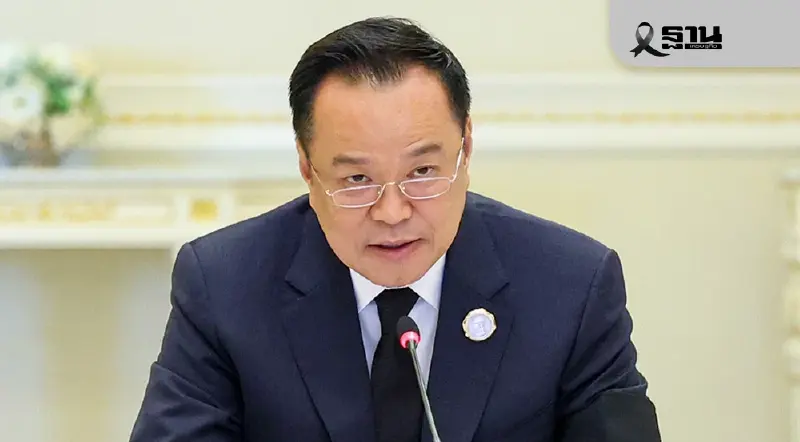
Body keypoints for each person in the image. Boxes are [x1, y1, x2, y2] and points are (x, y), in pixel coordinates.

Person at [129, 16, 661, 442]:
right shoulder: (224, 285)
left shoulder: (572, 285)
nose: (392, 212)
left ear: (466, 147)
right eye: (356, 179)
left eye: (422, 172)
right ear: (307, 168)